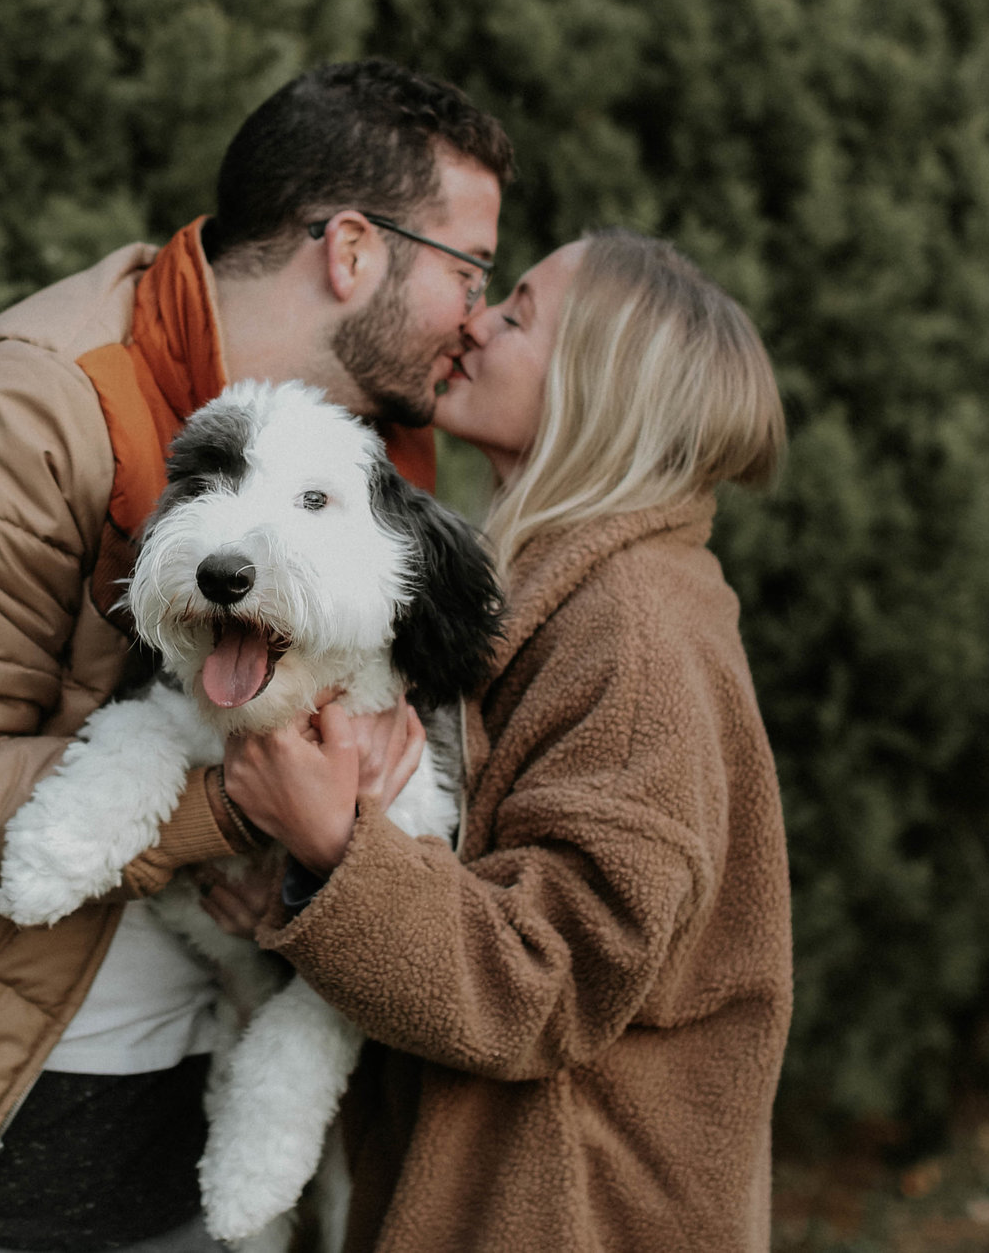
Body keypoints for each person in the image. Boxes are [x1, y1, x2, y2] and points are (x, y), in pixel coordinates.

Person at [0, 61, 514, 1252]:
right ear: (355, 251)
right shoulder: (22, 410)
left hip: (185, 1171)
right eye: (469, 271)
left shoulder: (365, 468)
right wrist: (239, 798)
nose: (481, 315)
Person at [210, 229, 794, 1253]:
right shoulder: (552, 592)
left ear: (595, 387)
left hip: (573, 1212)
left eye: (516, 314)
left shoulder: (635, 642)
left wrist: (334, 848)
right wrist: (304, 894)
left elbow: (545, 979)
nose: (472, 322)